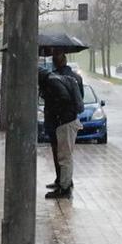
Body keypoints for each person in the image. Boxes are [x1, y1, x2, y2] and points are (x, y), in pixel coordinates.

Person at [39, 51, 83, 200]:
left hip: (60, 121)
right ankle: (64, 182)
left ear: (56, 62)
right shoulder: (76, 77)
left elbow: (60, 100)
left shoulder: (52, 79)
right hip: (66, 120)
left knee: (63, 155)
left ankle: (64, 186)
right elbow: (79, 98)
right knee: (65, 154)